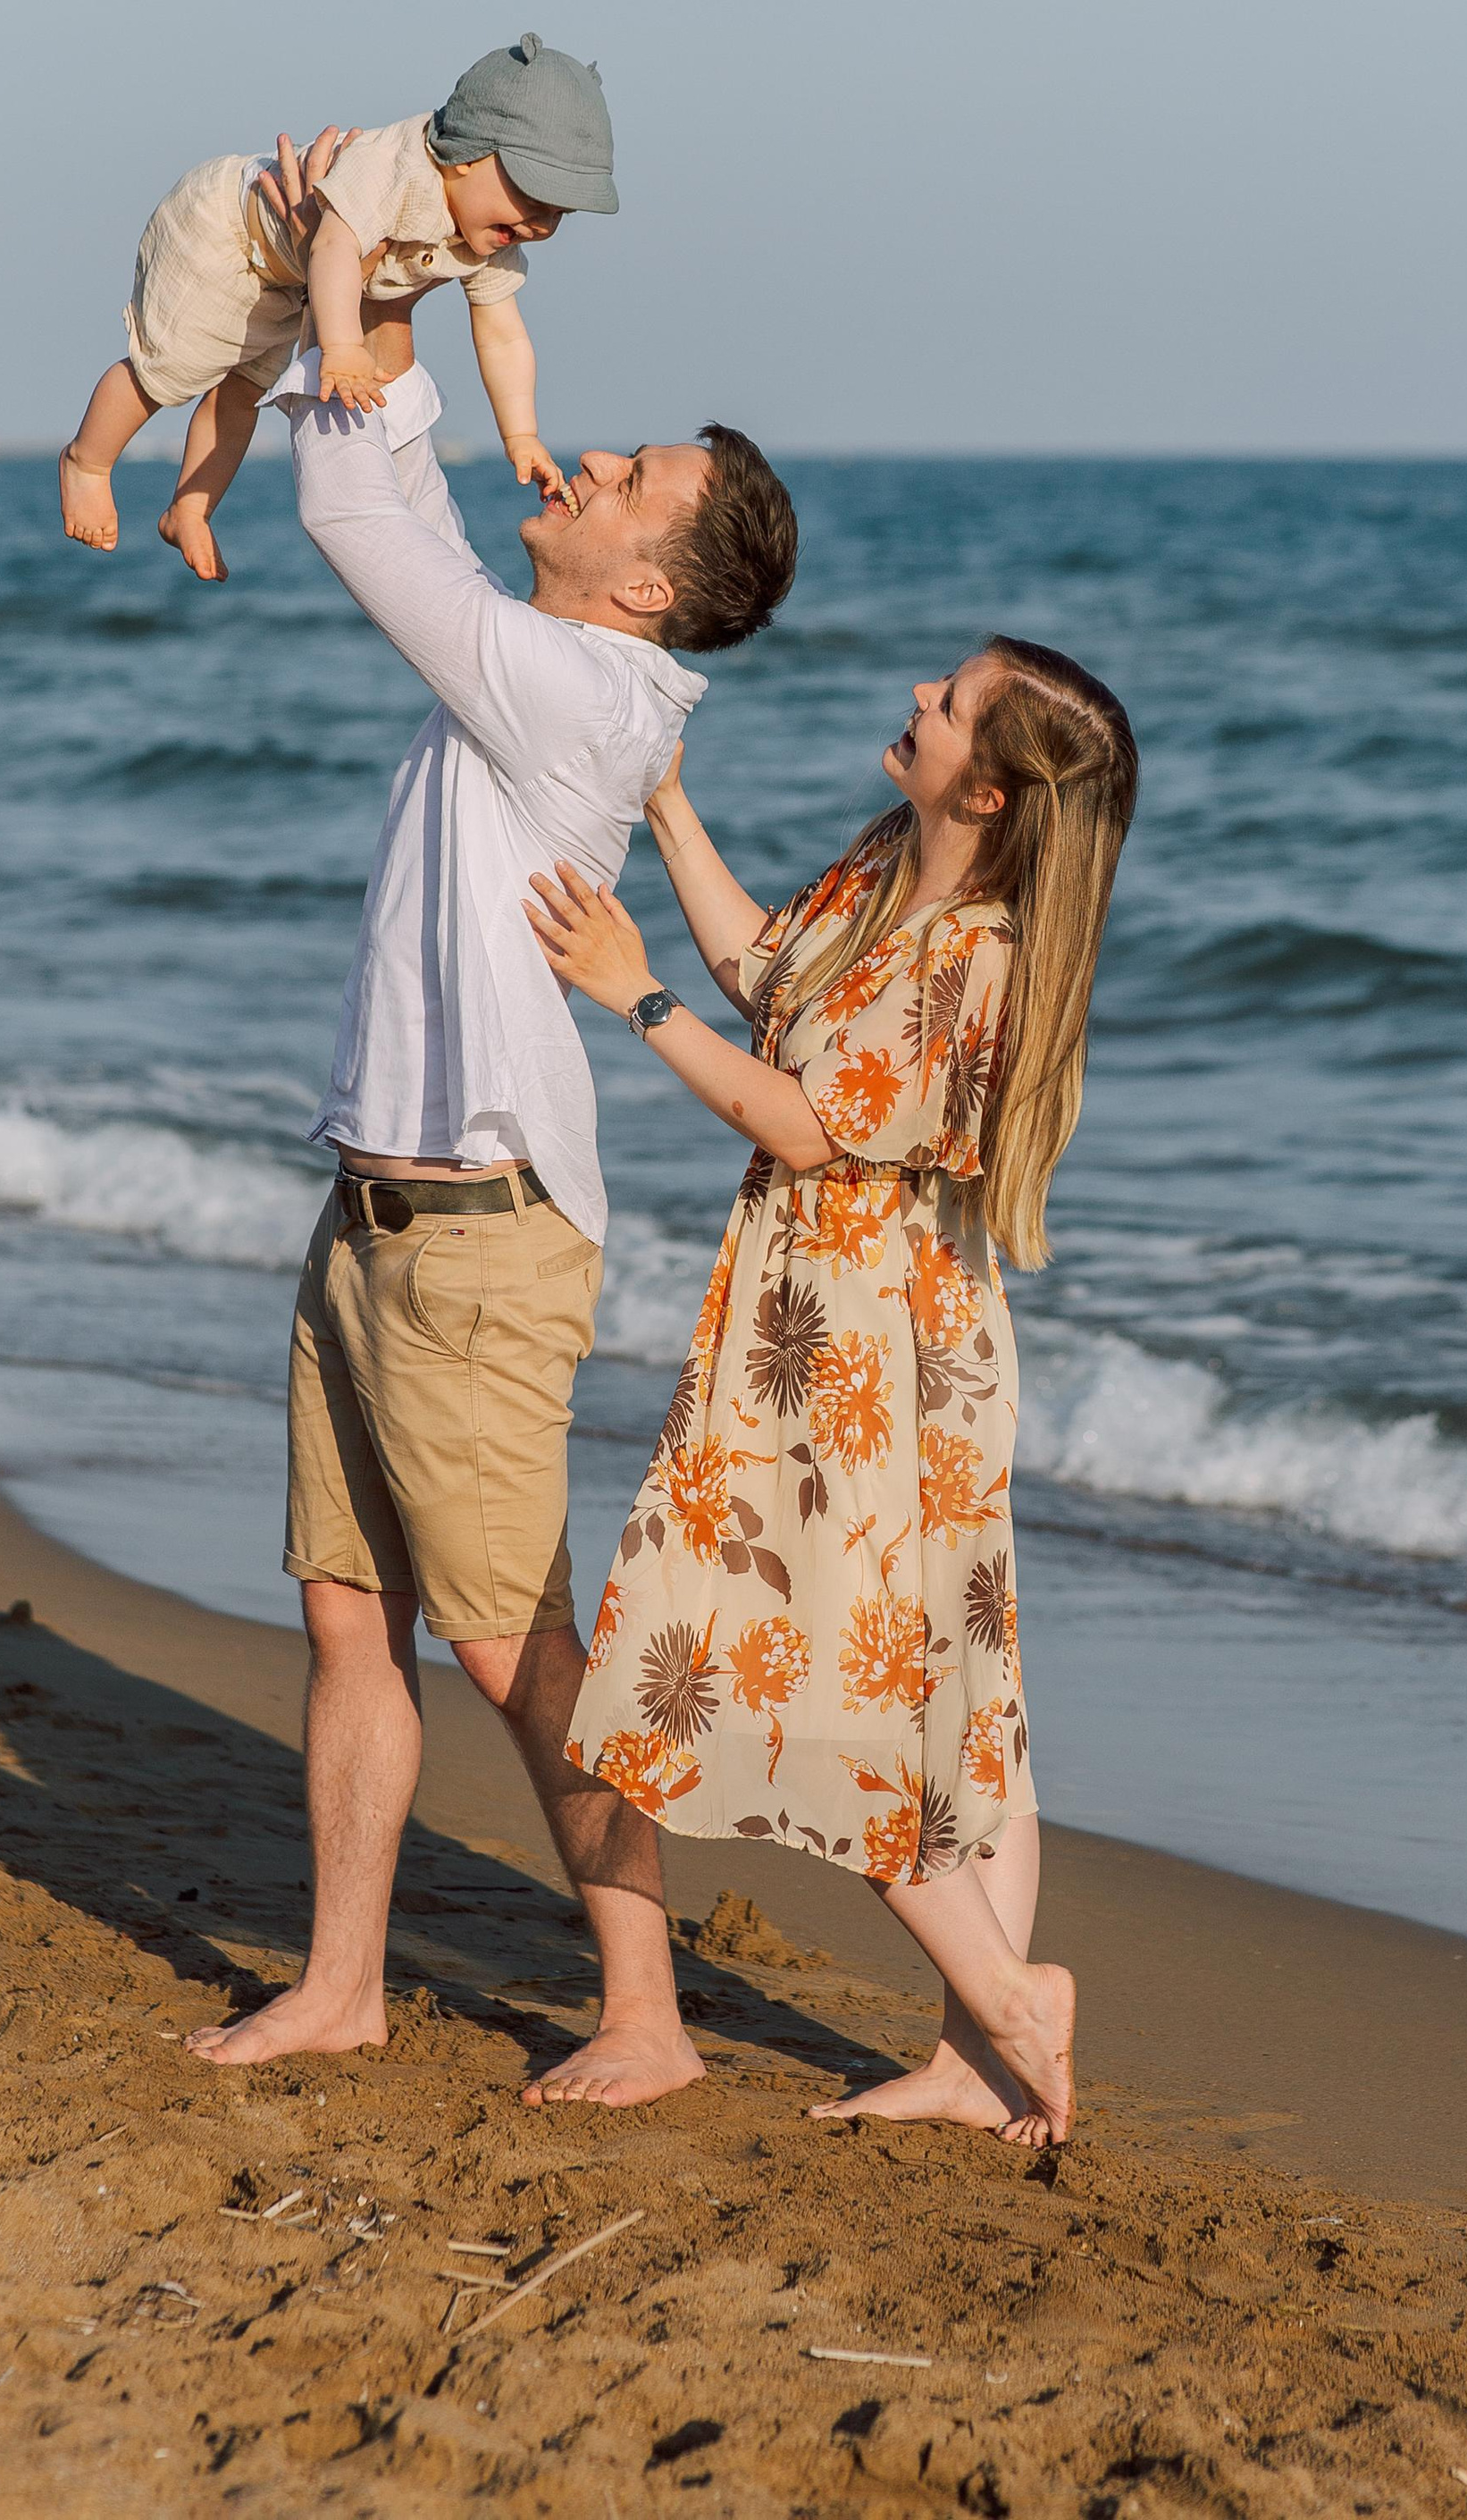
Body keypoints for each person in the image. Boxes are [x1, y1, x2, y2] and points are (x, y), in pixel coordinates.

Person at [183, 127, 799, 2107]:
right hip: (368, 1211)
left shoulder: (575, 694)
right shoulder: (546, 682)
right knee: (347, 1619)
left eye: (623, 480)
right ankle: (345, 1984)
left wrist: (354, 276)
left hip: (474, 1237)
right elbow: (397, 520)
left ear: (643, 581)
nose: (586, 460)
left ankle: (646, 2019)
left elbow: (369, 521)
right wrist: (357, 286)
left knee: (512, 1648)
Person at [525, 636, 1138, 2146]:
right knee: (950, 1700)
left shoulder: (979, 956)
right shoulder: (889, 874)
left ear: (987, 786)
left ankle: (1011, 2005)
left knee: (859, 1692)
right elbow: (772, 981)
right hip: (842, 1326)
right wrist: (668, 808)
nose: (920, 695)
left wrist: (633, 999)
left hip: (876, 1361)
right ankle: (975, 2054)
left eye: (950, 700)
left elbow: (804, 1122)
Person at [59, 33, 613, 581]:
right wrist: (343, 348)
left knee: (243, 393)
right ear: (466, 156)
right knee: (172, 372)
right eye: (532, 195)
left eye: (558, 212)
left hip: (284, 279)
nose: (539, 224)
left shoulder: (494, 238)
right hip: (224, 231)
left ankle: (191, 508)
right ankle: (88, 462)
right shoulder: (395, 169)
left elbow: (503, 334)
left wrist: (522, 435)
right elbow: (332, 246)